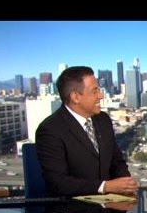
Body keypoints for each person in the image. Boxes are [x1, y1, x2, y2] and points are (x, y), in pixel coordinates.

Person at [36, 66, 138, 197]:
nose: (101, 96)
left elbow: (116, 161)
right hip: (72, 206)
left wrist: (126, 185)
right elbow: (58, 183)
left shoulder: (103, 119)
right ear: (75, 97)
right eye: (95, 91)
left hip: (110, 205)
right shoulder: (50, 130)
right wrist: (105, 187)